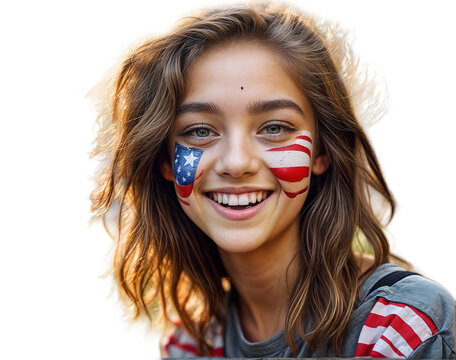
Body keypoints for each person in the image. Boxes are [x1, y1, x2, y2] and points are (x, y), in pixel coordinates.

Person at [90, 3, 456, 358]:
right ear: (165, 161)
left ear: (321, 152)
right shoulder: (192, 345)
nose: (237, 163)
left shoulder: (400, 331)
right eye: (200, 130)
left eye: (275, 127)